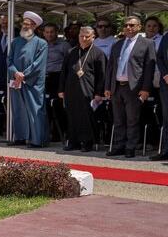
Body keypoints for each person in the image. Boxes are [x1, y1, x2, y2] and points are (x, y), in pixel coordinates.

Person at [104, 16, 156, 158]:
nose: (128, 28)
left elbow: (149, 68)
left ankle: (130, 147)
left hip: (133, 88)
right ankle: (119, 145)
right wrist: (107, 86)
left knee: (132, 119)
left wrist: (145, 89)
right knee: (118, 119)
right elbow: (110, 67)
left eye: (132, 25)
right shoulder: (117, 44)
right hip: (116, 87)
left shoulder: (147, 43)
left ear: (139, 27)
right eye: (126, 25)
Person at [59, 25, 106, 152]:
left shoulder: (98, 53)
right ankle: (73, 141)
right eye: (81, 36)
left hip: (88, 91)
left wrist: (98, 93)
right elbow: (64, 72)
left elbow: (102, 76)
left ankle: (87, 142)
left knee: (86, 117)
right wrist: (61, 90)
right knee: (72, 116)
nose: (84, 38)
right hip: (71, 89)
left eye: (87, 36)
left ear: (93, 37)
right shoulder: (72, 52)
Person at [6, 11, 49, 148]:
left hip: (33, 82)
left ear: (34, 26)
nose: (24, 26)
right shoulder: (15, 42)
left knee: (34, 110)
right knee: (18, 109)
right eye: (23, 24)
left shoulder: (41, 43)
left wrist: (23, 74)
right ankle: (20, 137)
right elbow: (9, 60)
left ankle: (36, 140)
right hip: (16, 80)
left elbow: (38, 64)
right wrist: (15, 72)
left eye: (28, 24)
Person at [42, 23, 70, 143]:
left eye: (51, 32)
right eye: (47, 32)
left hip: (58, 77)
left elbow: (69, 63)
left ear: (56, 32)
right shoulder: (41, 45)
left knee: (58, 106)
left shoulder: (64, 45)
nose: (49, 34)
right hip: (44, 78)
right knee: (46, 106)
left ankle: (59, 133)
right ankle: (47, 132)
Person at [154, 17, 168, 161]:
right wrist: (165, 74)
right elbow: (160, 58)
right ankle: (165, 150)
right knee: (166, 118)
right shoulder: (166, 37)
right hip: (166, 83)